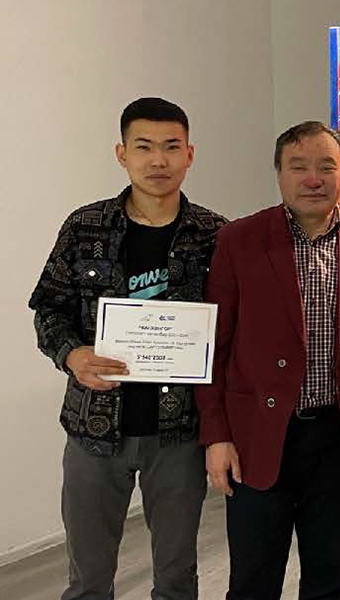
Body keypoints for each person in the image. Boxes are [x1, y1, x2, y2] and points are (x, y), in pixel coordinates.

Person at [29, 97, 226, 600]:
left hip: (179, 434)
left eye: (170, 147)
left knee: (177, 578)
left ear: (190, 154)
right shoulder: (84, 227)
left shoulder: (216, 235)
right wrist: (73, 356)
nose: (158, 160)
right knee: (88, 580)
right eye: (143, 147)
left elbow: (232, 333)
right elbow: (49, 311)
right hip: (94, 431)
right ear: (122, 154)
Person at [195, 121, 340, 600]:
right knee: (253, 578)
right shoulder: (238, 241)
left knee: (330, 576)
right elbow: (213, 347)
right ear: (278, 174)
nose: (313, 178)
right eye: (298, 166)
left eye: (327, 166)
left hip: (339, 442)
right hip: (259, 436)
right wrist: (216, 435)